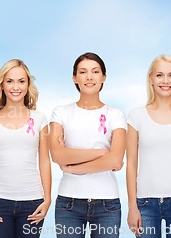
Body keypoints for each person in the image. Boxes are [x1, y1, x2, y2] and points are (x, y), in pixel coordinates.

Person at [49, 52, 126, 238]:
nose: (89, 77)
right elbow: (57, 156)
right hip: (69, 202)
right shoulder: (60, 113)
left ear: (103, 77)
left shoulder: (116, 115)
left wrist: (71, 167)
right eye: (83, 72)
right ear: (75, 78)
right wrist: (101, 153)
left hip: (107, 203)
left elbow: (116, 159)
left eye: (95, 71)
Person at [126, 55, 171, 238]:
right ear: (151, 79)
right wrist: (132, 207)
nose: (165, 81)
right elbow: (131, 165)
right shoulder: (136, 117)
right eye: (159, 75)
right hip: (144, 204)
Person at [0, 59, 51, 237]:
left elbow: (44, 161)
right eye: (9, 81)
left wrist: (47, 199)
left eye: (21, 81)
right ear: (2, 85)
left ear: (28, 85)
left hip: (32, 202)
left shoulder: (40, 119)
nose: (15, 87)